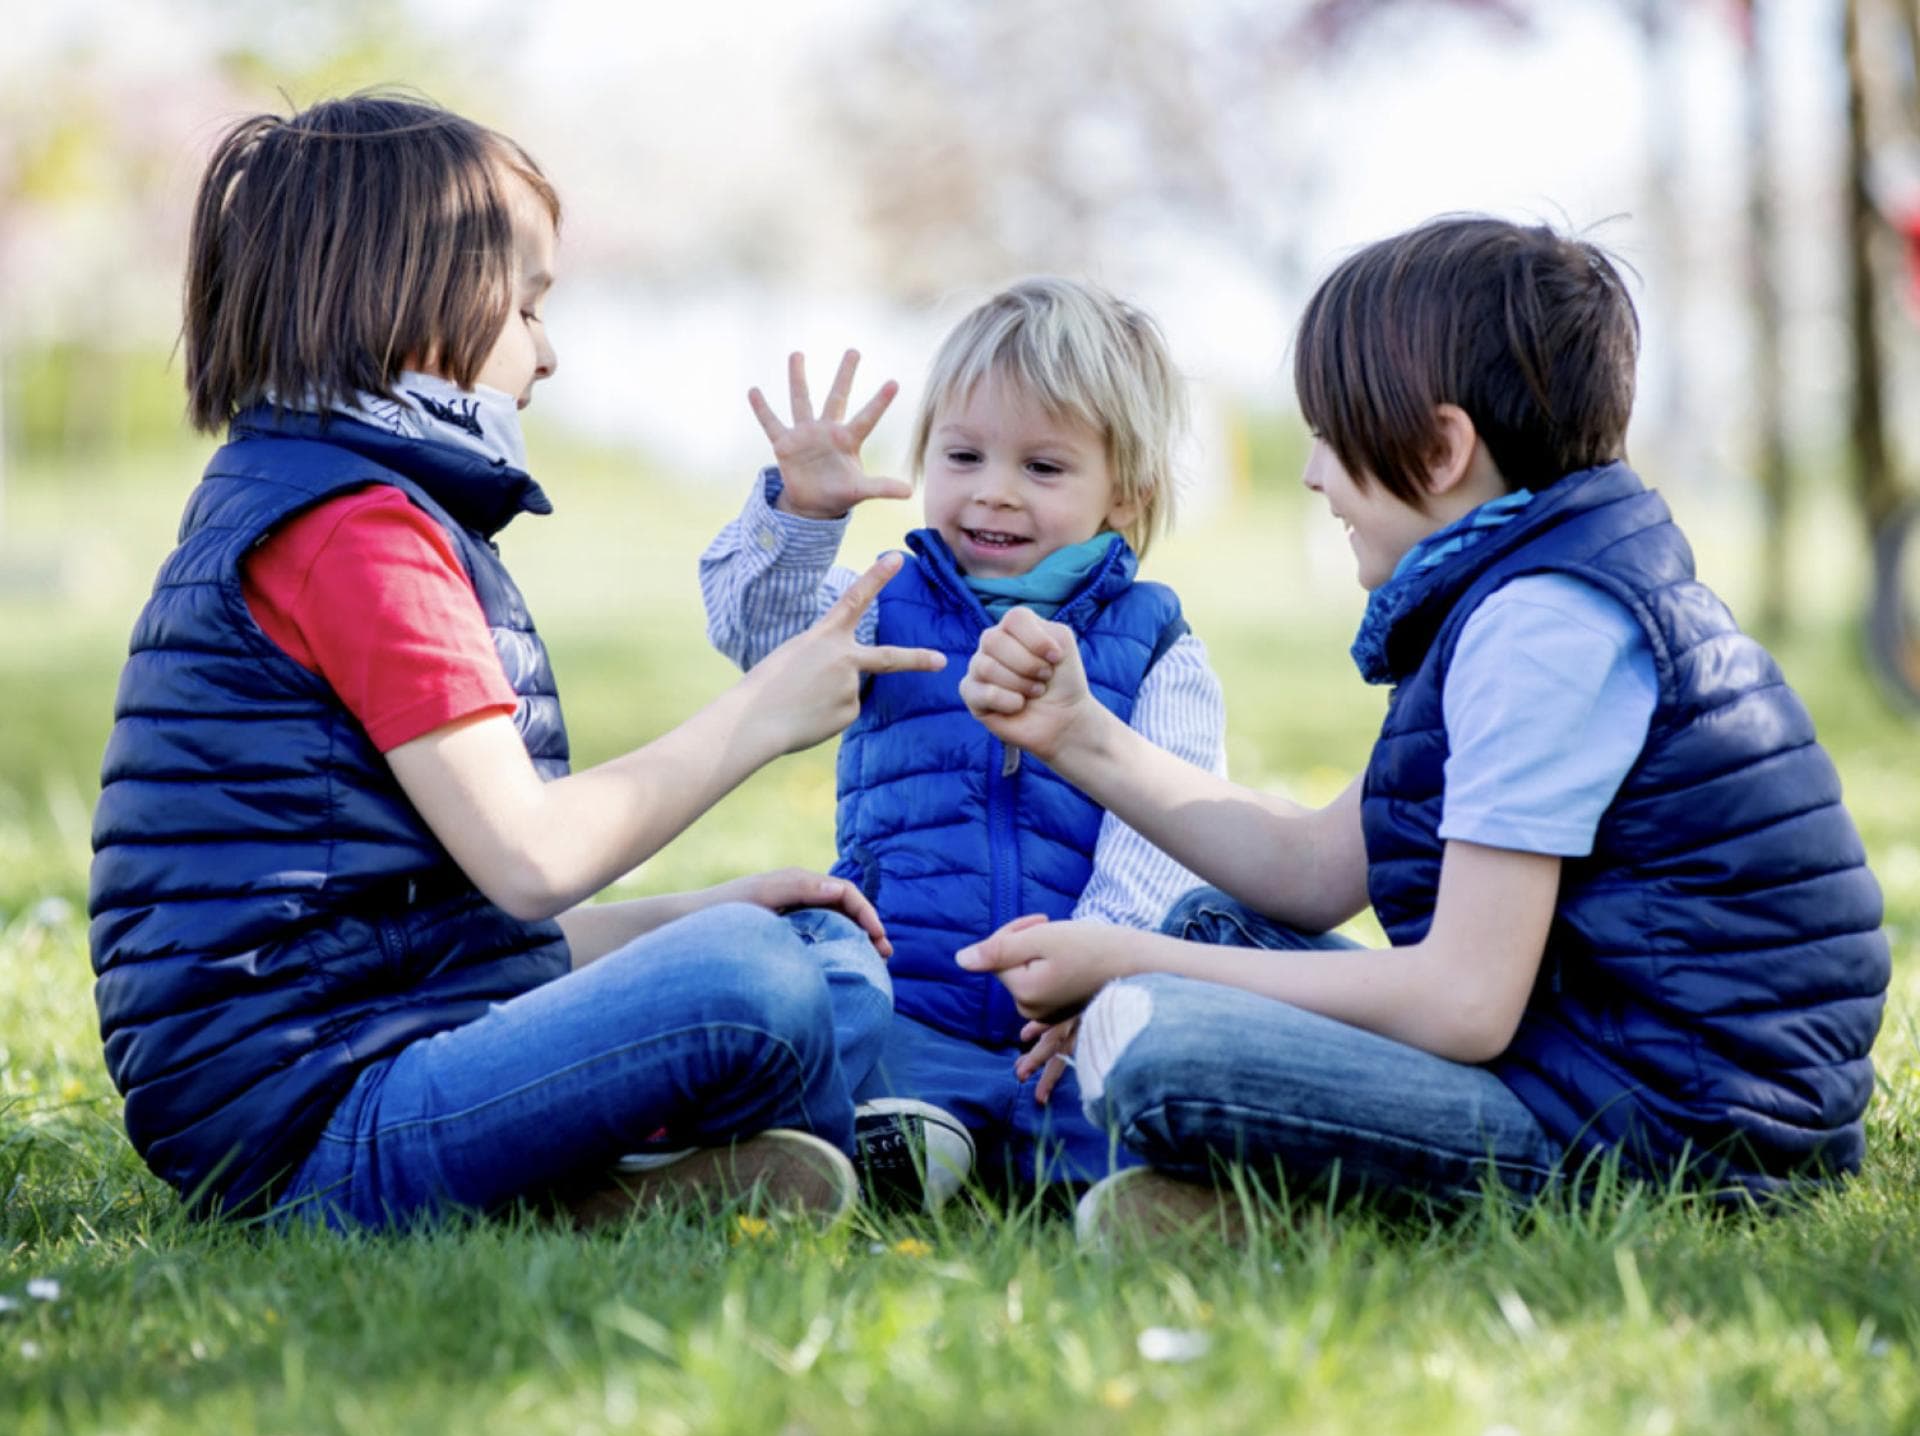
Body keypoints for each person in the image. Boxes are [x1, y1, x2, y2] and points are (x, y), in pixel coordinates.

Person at [87, 92, 949, 1230]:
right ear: (408, 294)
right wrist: (760, 713)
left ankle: (615, 1188)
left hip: (385, 1051)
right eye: (529, 307)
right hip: (312, 1126)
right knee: (756, 979)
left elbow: (443, 937)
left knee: (809, 952)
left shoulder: (349, 506)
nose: (548, 354)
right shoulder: (352, 535)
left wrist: (681, 914)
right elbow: (532, 865)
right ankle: (613, 1181)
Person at [954, 217, 1890, 1239]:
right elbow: (1315, 866)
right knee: (1201, 927)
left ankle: (1309, 1197)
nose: (1311, 474)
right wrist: (1080, 734)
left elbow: (1463, 1004)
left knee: (1162, 1032)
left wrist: (1134, 968)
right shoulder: (1522, 593)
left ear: (1441, 450)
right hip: (1591, 1063)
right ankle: (1254, 1203)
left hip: (1674, 1132)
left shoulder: (1545, 631)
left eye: (1331, 435)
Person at [699, 279, 1226, 1197]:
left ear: (1126, 496)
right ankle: (884, 1143)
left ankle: (1110, 1180)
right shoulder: (885, 600)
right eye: (964, 454)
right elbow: (762, 644)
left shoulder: (1158, 645)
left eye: (1043, 468)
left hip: (1072, 1017)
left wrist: (1097, 962)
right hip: (911, 999)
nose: (994, 493)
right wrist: (802, 518)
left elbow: (1169, 829)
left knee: (1136, 1080)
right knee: (834, 1024)